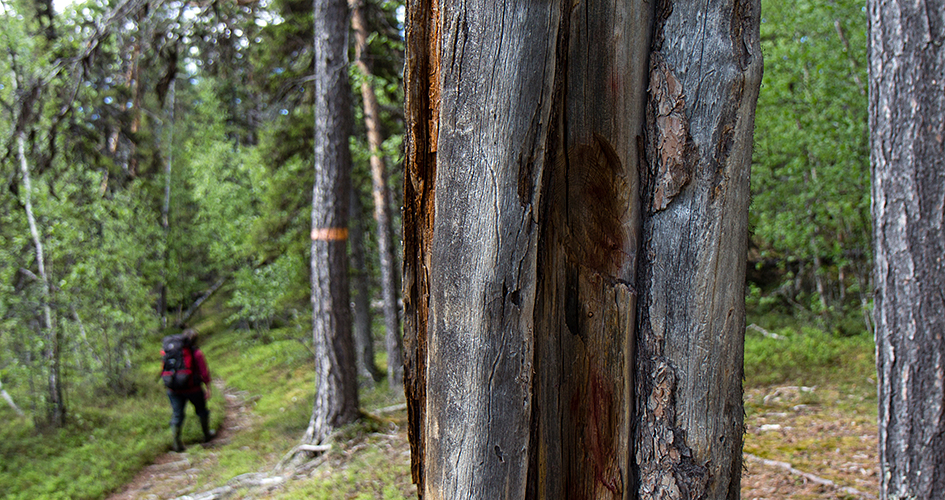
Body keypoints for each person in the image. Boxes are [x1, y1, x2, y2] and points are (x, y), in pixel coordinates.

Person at [165, 328, 214, 452]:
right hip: (193, 389)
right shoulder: (196, 353)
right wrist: (208, 387)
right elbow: (204, 372)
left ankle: (177, 443)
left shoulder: (170, 351)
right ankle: (206, 434)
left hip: (173, 389)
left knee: (177, 415)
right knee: (202, 411)